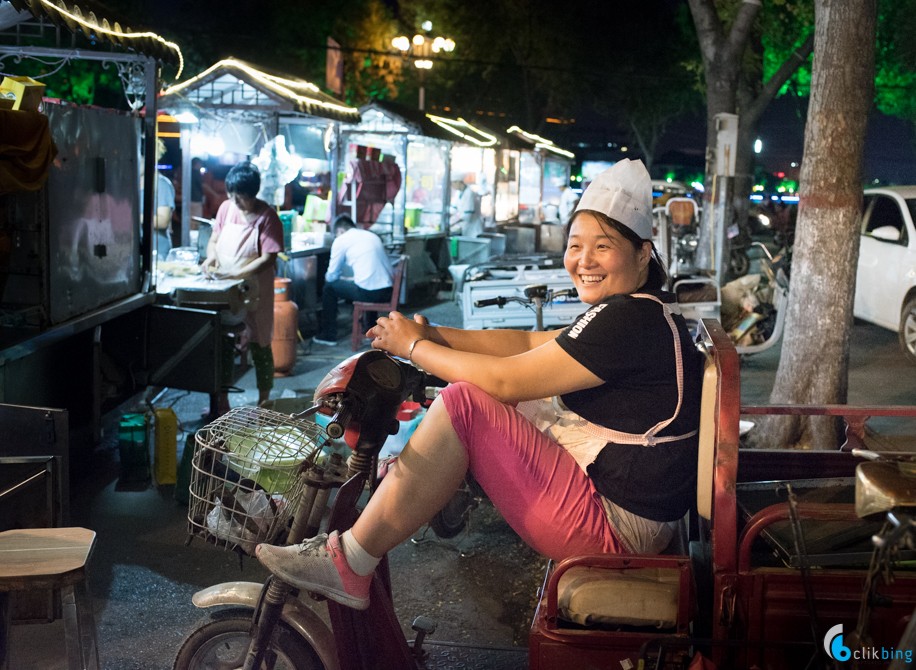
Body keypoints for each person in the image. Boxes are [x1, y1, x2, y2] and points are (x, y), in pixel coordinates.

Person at [256, 158, 704, 611]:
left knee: (465, 403)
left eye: (602, 247)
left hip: (615, 528)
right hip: (632, 511)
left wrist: (414, 348)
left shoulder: (628, 319)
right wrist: (434, 336)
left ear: (643, 253)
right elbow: (526, 342)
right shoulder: (639, 311)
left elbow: (506, 379)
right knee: (486, 398)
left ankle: (350, 562)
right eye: (575, 245)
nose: (583, 261)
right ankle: (414, 487)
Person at [201, 162, 284, 409]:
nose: (236, 202)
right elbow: (214, 239)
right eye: (232, 196)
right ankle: (222, 400)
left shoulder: (268, 217)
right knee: (225, 340)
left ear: (254, 194)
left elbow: (268, 257)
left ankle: (264, 400)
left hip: (256, 289)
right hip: (227, 287)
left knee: (260, 343)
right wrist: (211, 256)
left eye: (242, 198)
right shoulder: (227, 208)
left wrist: (238, 273)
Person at [313, 215, 393, 346]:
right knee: (365, 284)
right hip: (388, 290)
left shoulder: (341, 240)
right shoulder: (370, 235)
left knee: (329, 288)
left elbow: (331, 275)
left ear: (340, 231)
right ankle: (370, 328)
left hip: (370, 293)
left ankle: (328, 335)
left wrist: (335, 278)